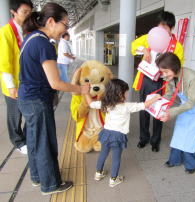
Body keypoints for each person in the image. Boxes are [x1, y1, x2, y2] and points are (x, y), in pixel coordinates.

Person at [18, 3, 89, 195]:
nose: (65, 30)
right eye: (65, 25)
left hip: (26, 98)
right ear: (51, 21)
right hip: (37, 100)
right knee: (45, 143)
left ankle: (37, 176)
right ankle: (50, 184)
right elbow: (55, 83)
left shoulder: (30, 38)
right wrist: (81, 89)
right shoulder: (43, 44)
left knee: (33, 140)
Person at [85, 79, 161, 187]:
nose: (126, 94)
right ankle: (113, 179)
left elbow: (91, 104)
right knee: (116, 157)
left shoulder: (106, 103)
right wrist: (155, 98)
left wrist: (86, 92)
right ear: (120, 94)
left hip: (106, 133)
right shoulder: (126, 106)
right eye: (125, 92)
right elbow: (143, 105)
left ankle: (98, 173)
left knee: (103, 153)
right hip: (118, 136)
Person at [131, 11, 184, 152]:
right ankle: (143, 138)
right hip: (146, 79)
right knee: (143, 109)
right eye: (160, 26)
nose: (162, 29)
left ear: (171, 28)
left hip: (162, 82)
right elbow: (133, 46)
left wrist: (168, 73)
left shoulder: (177, 46)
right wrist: (144, 50)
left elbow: (179, 67)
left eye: (166, 27)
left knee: (159, 111)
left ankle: (155, 141)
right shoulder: (149, 37)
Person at [156, 52, 195, 174]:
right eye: (162, 72)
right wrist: (158, 105)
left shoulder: (192, 77)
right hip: (185, 106)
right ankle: (175, 160)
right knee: (179, 133)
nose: (163, 75)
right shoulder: (170, 77)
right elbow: (170, 94)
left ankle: (191, 164)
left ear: (174, 67)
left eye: (165, 71)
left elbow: (191, 102)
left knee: (191, 137)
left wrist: (170, 112)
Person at [0, 0, 33, 154]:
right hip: (13, 82)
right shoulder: (6, 31)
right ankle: (18, 141)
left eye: (29, 12)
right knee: (15, 114)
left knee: (28, 110)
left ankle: (26, 137)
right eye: (24, 12)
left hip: (27, 80)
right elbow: (4, 62)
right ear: (13, 11)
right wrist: (11, 86)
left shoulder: (27, 30)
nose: (28, 15)